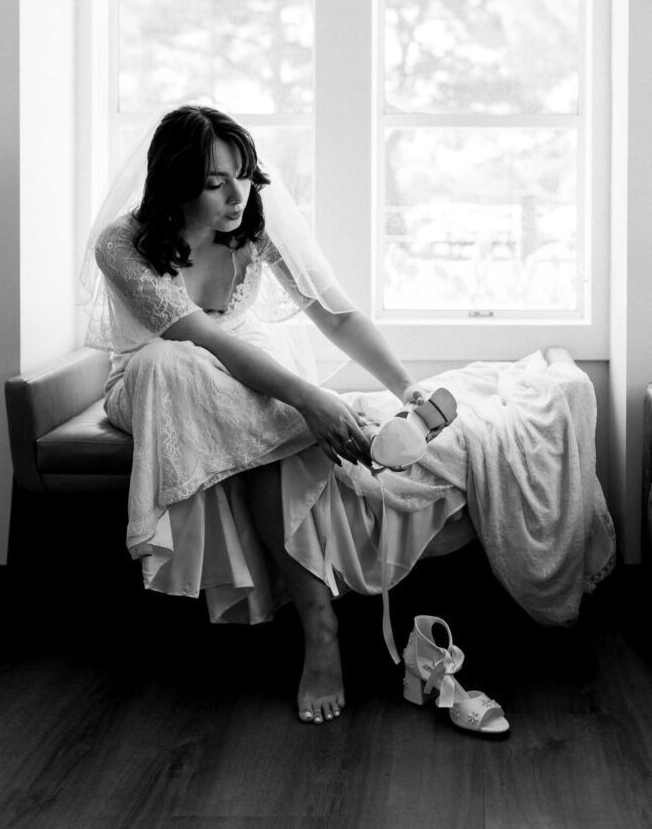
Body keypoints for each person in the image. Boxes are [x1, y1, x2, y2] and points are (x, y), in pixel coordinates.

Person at [83, 104, 455, 726]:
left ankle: (319, 625)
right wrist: (310, 402)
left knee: (257, 406)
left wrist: (410, 391)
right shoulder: (122, 245)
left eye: (245, 175)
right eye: (215, 183)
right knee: (175, 363)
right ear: (175, 183)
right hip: (155, 380)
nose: (238, 195)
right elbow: (205, 340)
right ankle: (337, 440)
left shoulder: (252, 223)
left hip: (244, 368)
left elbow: (336, 316)